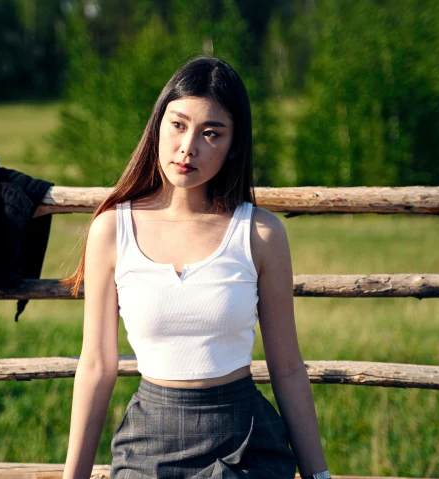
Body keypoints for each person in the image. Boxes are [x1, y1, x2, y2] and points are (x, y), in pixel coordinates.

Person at [61, 56, 330, 479]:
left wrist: (320, 476)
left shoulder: (259, 234)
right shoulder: (113, 230)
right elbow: (96, 365)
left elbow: (288, 368)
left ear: (234, 145)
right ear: (157, 126)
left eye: (211, 133)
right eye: (178, 125)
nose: (189, 147)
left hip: (246, 447)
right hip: (146, 447)